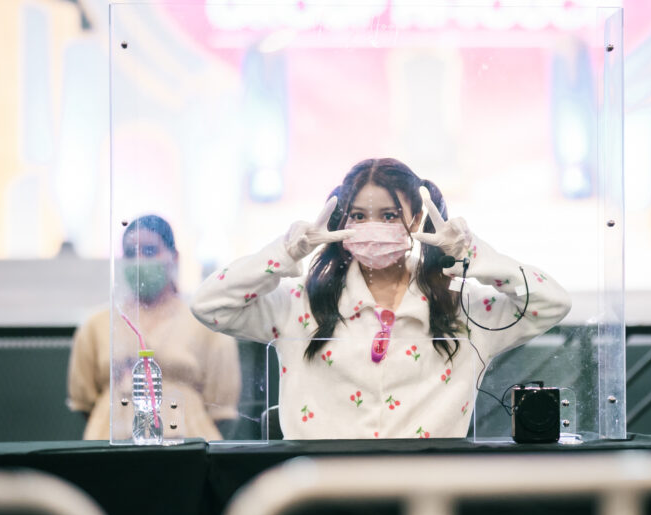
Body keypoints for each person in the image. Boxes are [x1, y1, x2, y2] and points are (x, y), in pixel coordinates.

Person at [191, 158, 571, 439]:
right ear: (342, 221)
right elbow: (208, 305)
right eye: (358, 216)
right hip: (320, 497)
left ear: (417, 218)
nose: (372, 226)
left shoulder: (462, 307)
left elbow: (553, 302)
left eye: (389, 216)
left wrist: (473, 254)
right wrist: (285, 252)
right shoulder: (299, 303)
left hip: (426, 496)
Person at [68, 215, 241, 441]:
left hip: (186, 448)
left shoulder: (206, 323)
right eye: (130, 253)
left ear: (174, 257)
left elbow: (221, 406)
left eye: (150, 251)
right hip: (110, 448)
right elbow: (84, 400)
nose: (139, 260)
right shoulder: (96, 325)